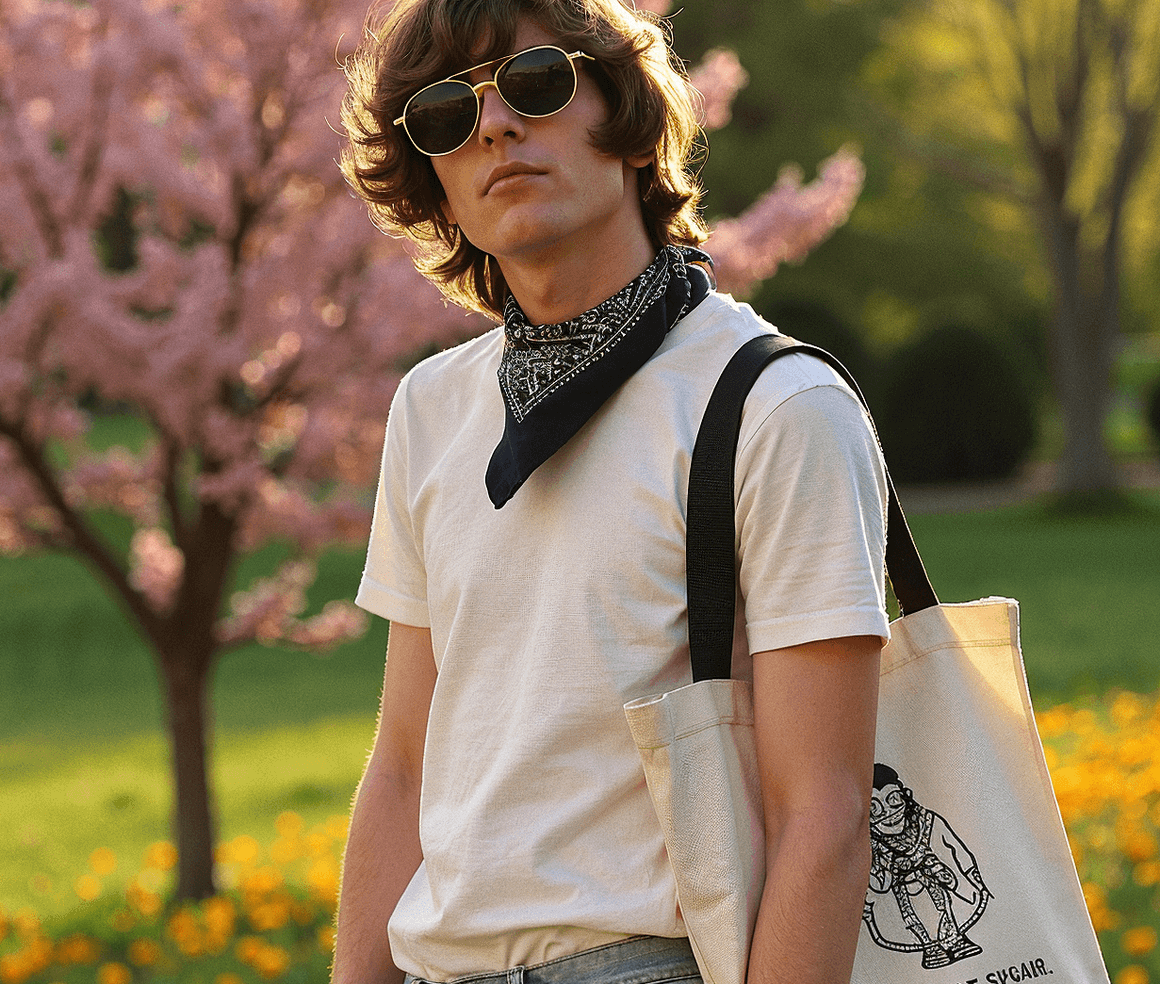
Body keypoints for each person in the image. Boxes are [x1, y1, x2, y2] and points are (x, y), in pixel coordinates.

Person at [332, 2, 889, 984]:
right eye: (445, 116)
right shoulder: (430, 410)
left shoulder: (773, 405)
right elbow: (405, 766)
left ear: (626, 117)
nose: (495, 126)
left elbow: (825, 818)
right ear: (437, 185)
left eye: (535, 83)